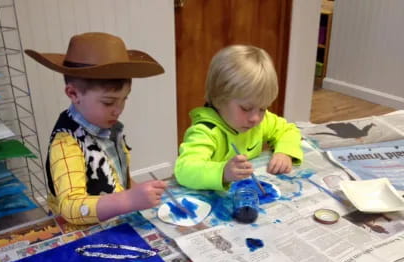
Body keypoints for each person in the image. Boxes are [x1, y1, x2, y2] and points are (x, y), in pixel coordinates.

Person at [25, 32, 167, 224]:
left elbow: (119, 177)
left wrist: (137, 191)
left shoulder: (110, 129)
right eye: (109, 102)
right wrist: (128, 199)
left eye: (124, 99)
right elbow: (71, 207)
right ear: (74, 94)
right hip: (81, 234)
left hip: (113, 222)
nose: (118, 110)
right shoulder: (66, 142)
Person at [175, 45, 303, 191]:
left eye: (262, 108)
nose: (255, 118)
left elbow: (288, 130)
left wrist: (284, 152)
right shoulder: (205, 132)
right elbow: (185, 170)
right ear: (219, 100)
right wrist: (223, 172)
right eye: (246, 108)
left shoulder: (260, 121)